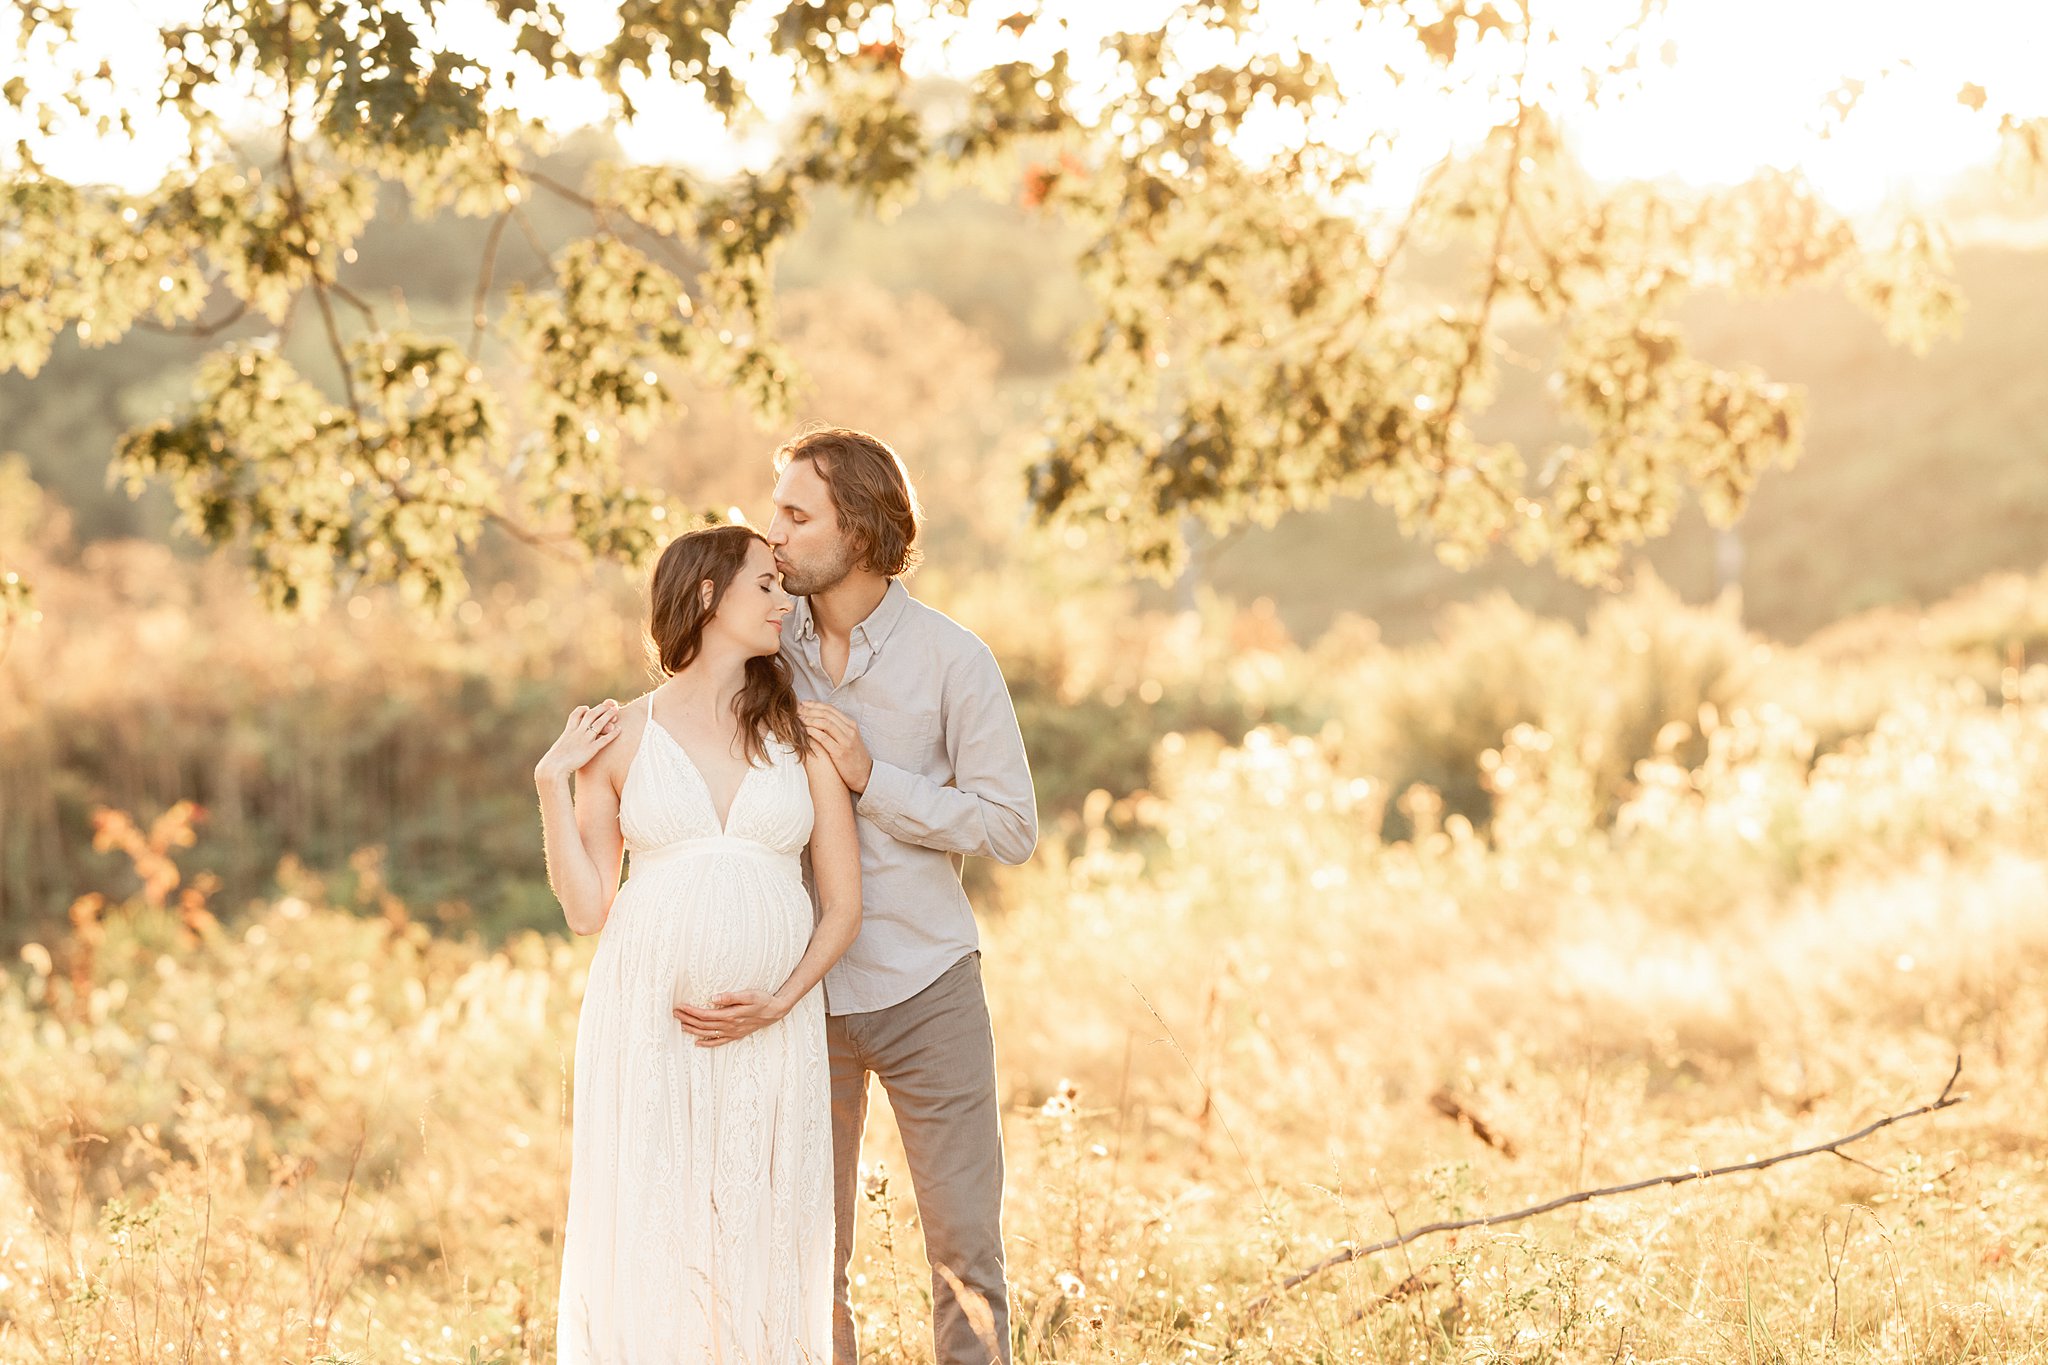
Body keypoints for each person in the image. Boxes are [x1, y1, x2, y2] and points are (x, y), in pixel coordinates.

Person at [534, 524, 862, 1363]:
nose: (784, 601)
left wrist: (779, 1001)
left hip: (774, 1025)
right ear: (709, 595)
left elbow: (842, 907)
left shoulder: (801, 733)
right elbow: (584, 907)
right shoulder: (621, 735)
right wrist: (552, 781)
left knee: (762, 1224)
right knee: (660, 1221)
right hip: (650, 1023)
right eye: (765, 585)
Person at [767, 426, 1041, 1364]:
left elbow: (1011, 826)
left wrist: (876, 778)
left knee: (966, 1256)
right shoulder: (766, 647)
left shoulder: (956, 660)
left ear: (860, 528)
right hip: (804, 999)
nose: (775, 535)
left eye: (797, 515)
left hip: (930, 990)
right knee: (809, 1264)